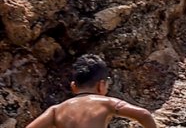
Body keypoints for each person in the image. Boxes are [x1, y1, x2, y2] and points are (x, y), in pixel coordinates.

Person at [26, 54, 157, 128]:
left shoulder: (56, 110)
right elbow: (144, 114)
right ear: (101, 85)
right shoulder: (107, 103)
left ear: (73, 86)